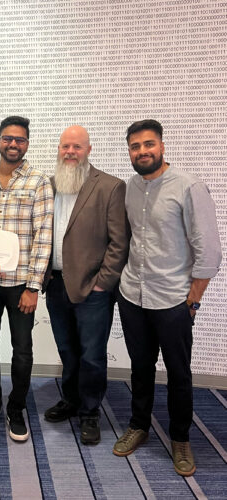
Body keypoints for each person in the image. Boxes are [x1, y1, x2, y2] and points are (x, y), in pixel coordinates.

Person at [113, 120, 222, 476]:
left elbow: (209, 250)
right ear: (129, 151)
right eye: (135, 146)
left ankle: (180, 438)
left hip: (173, 300)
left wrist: (193, 299)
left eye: (149, 144)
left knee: (178, 373)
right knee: (140, 367)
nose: (142, 151)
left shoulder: (189, 187)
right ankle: (139, 425)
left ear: (161, 146)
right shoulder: (130, 188)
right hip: (133, 295)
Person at [42, 125, 129, 445]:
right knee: (67, 350)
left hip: (93, 289)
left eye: (77, 147)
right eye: (65, 146)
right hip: (56, 285)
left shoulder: (110, 186)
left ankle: (90, 411)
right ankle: (72, 399)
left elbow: (119, 242)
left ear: (88, 150)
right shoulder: (48, 185)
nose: (70, 152)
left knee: (92, 354)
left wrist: (102, 284)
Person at [0, 116, 54, 441]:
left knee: (22, 350)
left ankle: (16, 407)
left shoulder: (39, 182)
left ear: (27, 144)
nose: (13, 144)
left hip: (21, 284)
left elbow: (43, 236)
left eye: (19, 139)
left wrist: (33, 286)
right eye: (7, 138)